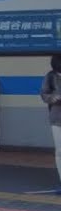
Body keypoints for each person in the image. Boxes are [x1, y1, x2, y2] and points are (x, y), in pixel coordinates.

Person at [41, 55, 61, 192]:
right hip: (57, 117)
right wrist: (54, 98)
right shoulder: (50, 76)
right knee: (60, 151)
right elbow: (44, 94)